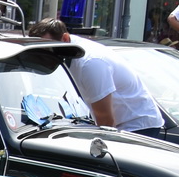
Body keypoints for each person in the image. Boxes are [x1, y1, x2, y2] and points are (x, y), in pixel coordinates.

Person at [32, 18, 165, 135]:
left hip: (137, 126)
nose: (44, 58)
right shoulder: (69, 51)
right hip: (122, 123)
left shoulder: (89, 63)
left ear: (65, 39)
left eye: (47, 50)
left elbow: (106, 120)